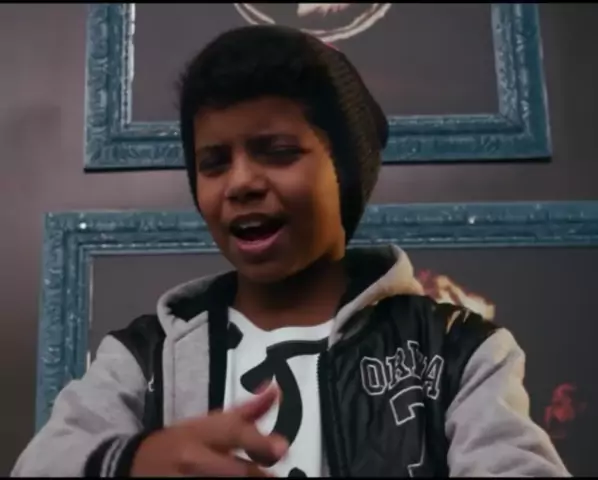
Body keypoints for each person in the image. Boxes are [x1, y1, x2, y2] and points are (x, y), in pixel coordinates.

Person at [12, 25, 569, 477]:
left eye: (277, 151)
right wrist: (131, 465)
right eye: (213, 163)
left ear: (345, 172)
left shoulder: (459, 352)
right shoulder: (143, 356)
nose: (240, 183)